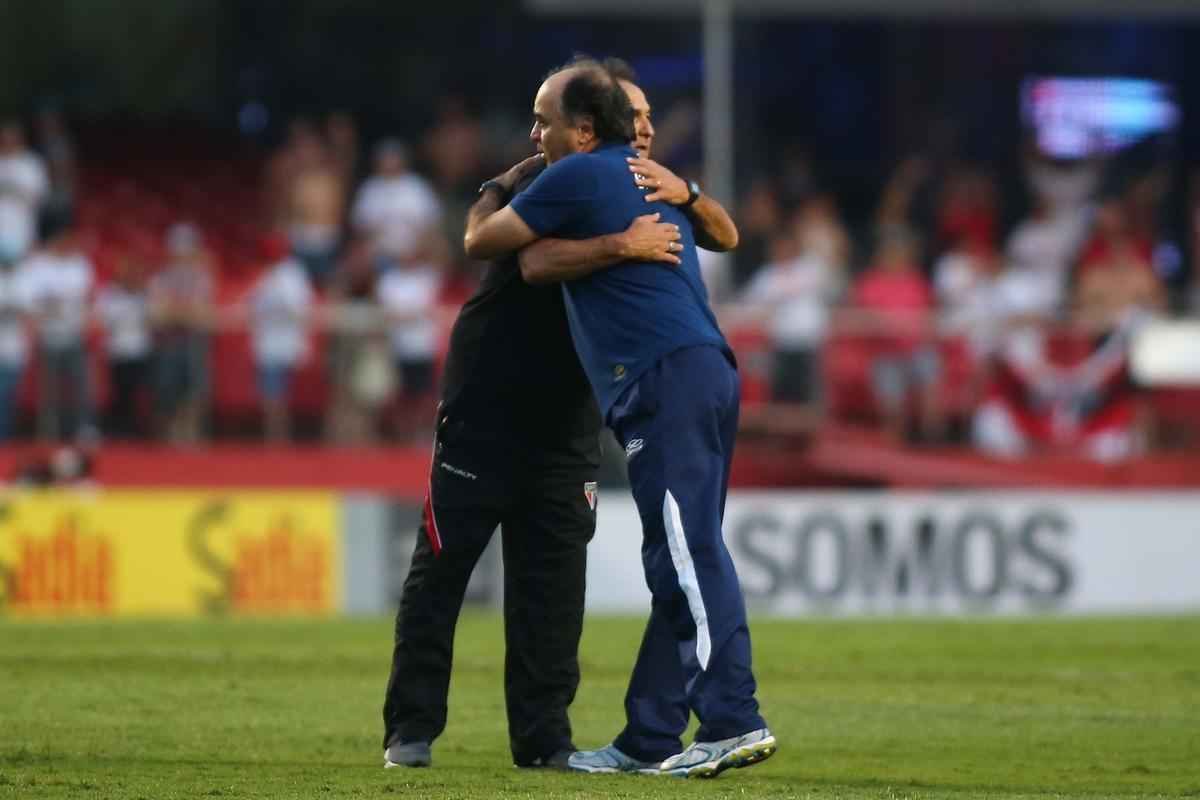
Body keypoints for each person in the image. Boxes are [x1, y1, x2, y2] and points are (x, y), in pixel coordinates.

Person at [380, 59, 737, 773]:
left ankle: (544, 742)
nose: (642, 129)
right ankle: (410, 730)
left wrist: (691, 196)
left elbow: (726, 235)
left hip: (570, 416)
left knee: (552, 588)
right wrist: (617, 244)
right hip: (488, 405)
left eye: (647, 119)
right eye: (630, 116)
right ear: (596, 126)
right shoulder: (552, 178)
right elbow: (517, 255)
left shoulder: (648, 184)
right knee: (442, 570)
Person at [462, 60, 774, 778]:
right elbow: (715, 236)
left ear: (581, 128)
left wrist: (499, 183)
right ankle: (650, 736)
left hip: (662, 375)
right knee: (679, 552)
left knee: (685, 551)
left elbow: (484, 243)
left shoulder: (576, 174)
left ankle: (732, 718)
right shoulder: (640, 177)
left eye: (544, 119)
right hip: (702, 368)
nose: (534, 133)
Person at [23, 210, 94, 441]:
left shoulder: (79, 263)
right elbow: (32, 301)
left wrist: (58, 302)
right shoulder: (38, 264)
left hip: (74, 334)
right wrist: (54, 304)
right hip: (49, 335)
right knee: (48, 390)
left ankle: (83, 430)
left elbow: (84, 298)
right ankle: (48, 433)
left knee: (80, 387)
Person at [149, 223, 214, 444]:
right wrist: (183, 312)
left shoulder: (201, 278)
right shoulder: (162, 278)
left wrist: (177, 311)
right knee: (168, 389)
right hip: (170, 341)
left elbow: (202, 313)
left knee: (195, 389)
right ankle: (169, 433)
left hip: (193, 341)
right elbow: (159, 314)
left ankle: (191, 432)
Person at [248, 241, 313, 442]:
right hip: (268, 343)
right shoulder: (264, 276)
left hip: (287, 342)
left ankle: (282, 436)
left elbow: (300, 309)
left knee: (283, 395)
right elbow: (254, 306)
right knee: (270, 395)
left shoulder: (293, 275)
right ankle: (273, 436)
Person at [95, 254, 153, 439]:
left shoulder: (145, 293)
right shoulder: (110, 294)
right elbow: (103, 319)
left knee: (138, 391)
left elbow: (153, 317)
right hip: (118, 350)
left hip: (140, 350)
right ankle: (119, 429)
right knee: (120, 392)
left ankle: (136, 430)